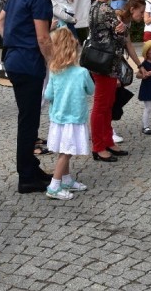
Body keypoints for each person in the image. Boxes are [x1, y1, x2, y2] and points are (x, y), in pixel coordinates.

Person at [0, 0, 54, 194]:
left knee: (27, 119)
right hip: (29, 62)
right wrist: (56, 66)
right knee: (28, 122)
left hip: (14, 60)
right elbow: (42, 37)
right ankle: (26, 177)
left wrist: (13, 41)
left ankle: (31, 166)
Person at [86, 0, 139, 162]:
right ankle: (98, 146)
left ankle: (107, 140)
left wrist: (120, 29)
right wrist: (123, 29)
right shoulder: (105, 10)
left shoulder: (95, 6)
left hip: (106, 62)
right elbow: (119, 35)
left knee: (107, 104)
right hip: (105, 63)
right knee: (102, 105)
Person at [43, 28, 94, 201]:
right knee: (66, 152)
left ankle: (66, 180)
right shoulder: (82, 73)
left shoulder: (55, 72)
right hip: (74, 118)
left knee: (63, 150)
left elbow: (48, 95)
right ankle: (54, 185)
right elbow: (91, 90)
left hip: (58, 118)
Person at [112, 0, 146, 143]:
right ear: (132, 9)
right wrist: (114, 75)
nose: (143, 15)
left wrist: (140, 65)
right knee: (108, 98)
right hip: (108, 64)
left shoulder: (127, 22)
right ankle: (105, 130)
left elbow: (129, 45)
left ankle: (103, 128)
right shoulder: (117, 19)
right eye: (142, 12)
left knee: (113, 97)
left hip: (114, 64)